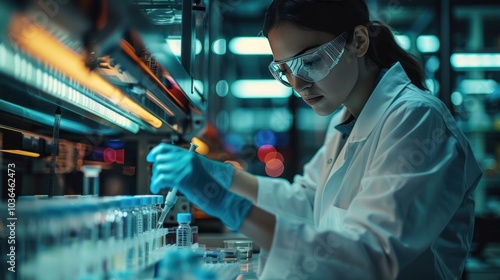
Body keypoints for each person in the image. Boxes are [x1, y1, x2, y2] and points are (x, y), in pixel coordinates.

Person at [147, 0, 482, 279]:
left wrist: (228, 204)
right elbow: (308, 204)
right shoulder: (347, 117)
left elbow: (371, 257)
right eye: (286, 70)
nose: (299, 83)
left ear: (359, 42)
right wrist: (225, 177)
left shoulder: (417, 120)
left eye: (311, 61)